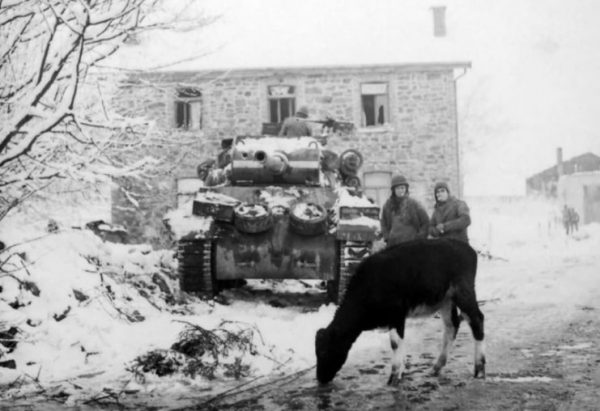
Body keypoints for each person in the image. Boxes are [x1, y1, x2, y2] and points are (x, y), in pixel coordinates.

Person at [380, 175, 429, 247]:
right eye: (398, 188)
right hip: (393, 244)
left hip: (411, 244)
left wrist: (419, 238)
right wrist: (387, 237)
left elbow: (426, 222)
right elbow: (383, 223)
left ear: (406, 189)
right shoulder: (388, 205)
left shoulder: (414, 204)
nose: (401, 190)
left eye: (402, 188)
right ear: (393, 190)